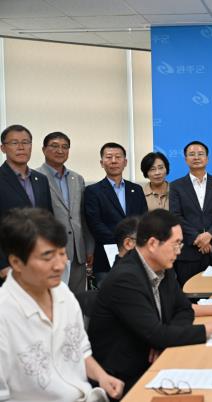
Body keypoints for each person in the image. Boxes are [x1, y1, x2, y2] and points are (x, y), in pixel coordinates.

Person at [88, 209, 212, 393]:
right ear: (153, 244)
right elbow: (156, 333)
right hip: (123, 378)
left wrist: (162, 340)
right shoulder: (125, 278)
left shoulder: (163, 266)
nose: (179, 251)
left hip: (154, 360)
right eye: (176, 244)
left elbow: (183, 310)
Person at [0, 208, 123, 401]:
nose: (60, 265)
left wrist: (102, 377)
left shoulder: (63, 292)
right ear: (16, 262)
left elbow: (80, 350)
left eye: (62, 253)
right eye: (48, 257)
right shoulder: (4, 314)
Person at [38, 131, 94, 293]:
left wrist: (89, 247)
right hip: (51, 251)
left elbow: (83, 217)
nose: (60, 150)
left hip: (77, 252)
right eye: (54, 146)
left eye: (65, 147)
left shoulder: (77, 178)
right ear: (44, 149)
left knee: (78, 299)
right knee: (52, 297)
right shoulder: (36, 177)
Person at [84, 142, 147, 286]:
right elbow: (95, 223)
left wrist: (133, 241)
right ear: (102, 163)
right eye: (109, 157)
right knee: (108, 294)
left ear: (125, 162)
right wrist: (122, 243)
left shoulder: (136, 189)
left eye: (118, 157)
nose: (113, 161)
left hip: (136, 253)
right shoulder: (93, 191)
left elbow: (143, 219)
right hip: (106, 256)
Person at [169, 141, 212, 286]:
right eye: (192, 154)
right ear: (185, 159)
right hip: (188, 251)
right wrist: (198, 237)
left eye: (200, 154)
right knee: (189, 292)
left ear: (207, 158)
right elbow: (176, 215)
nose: (196, 157)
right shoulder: (176, 186)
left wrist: (209, 234)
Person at [0, 124, 53, 285]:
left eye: (25, 142)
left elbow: (48, 220)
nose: (21, 147)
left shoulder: (41, 179)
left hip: (39, 260)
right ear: (3, 148)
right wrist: (2, 264)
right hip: (9, 262)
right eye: (14, 143)